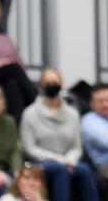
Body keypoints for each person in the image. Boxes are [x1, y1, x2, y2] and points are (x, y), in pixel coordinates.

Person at [19, 68, 99, 201]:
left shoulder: (72, 114)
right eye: (47, 82)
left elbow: (76, 146)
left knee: (84, 169)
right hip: (39, 163)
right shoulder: (30, 113)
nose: (51, 86)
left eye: (55, 82)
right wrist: (60, 160)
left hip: (68, 161)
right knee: (60, 170)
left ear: (61, 83)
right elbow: (30, 148)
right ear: (41, 85)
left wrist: (70, 160)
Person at [0, 0, 35, 125]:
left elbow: (19, 65)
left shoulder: (6, 40)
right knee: (12, 69)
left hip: (7, 80)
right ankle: (35, 100)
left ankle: (15, 125)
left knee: (12, 83)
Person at [0, 84, 20, 198]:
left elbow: (14, 150)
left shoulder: (9, 121)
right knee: (5, 189)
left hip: (7, 170)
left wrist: (17, 170)